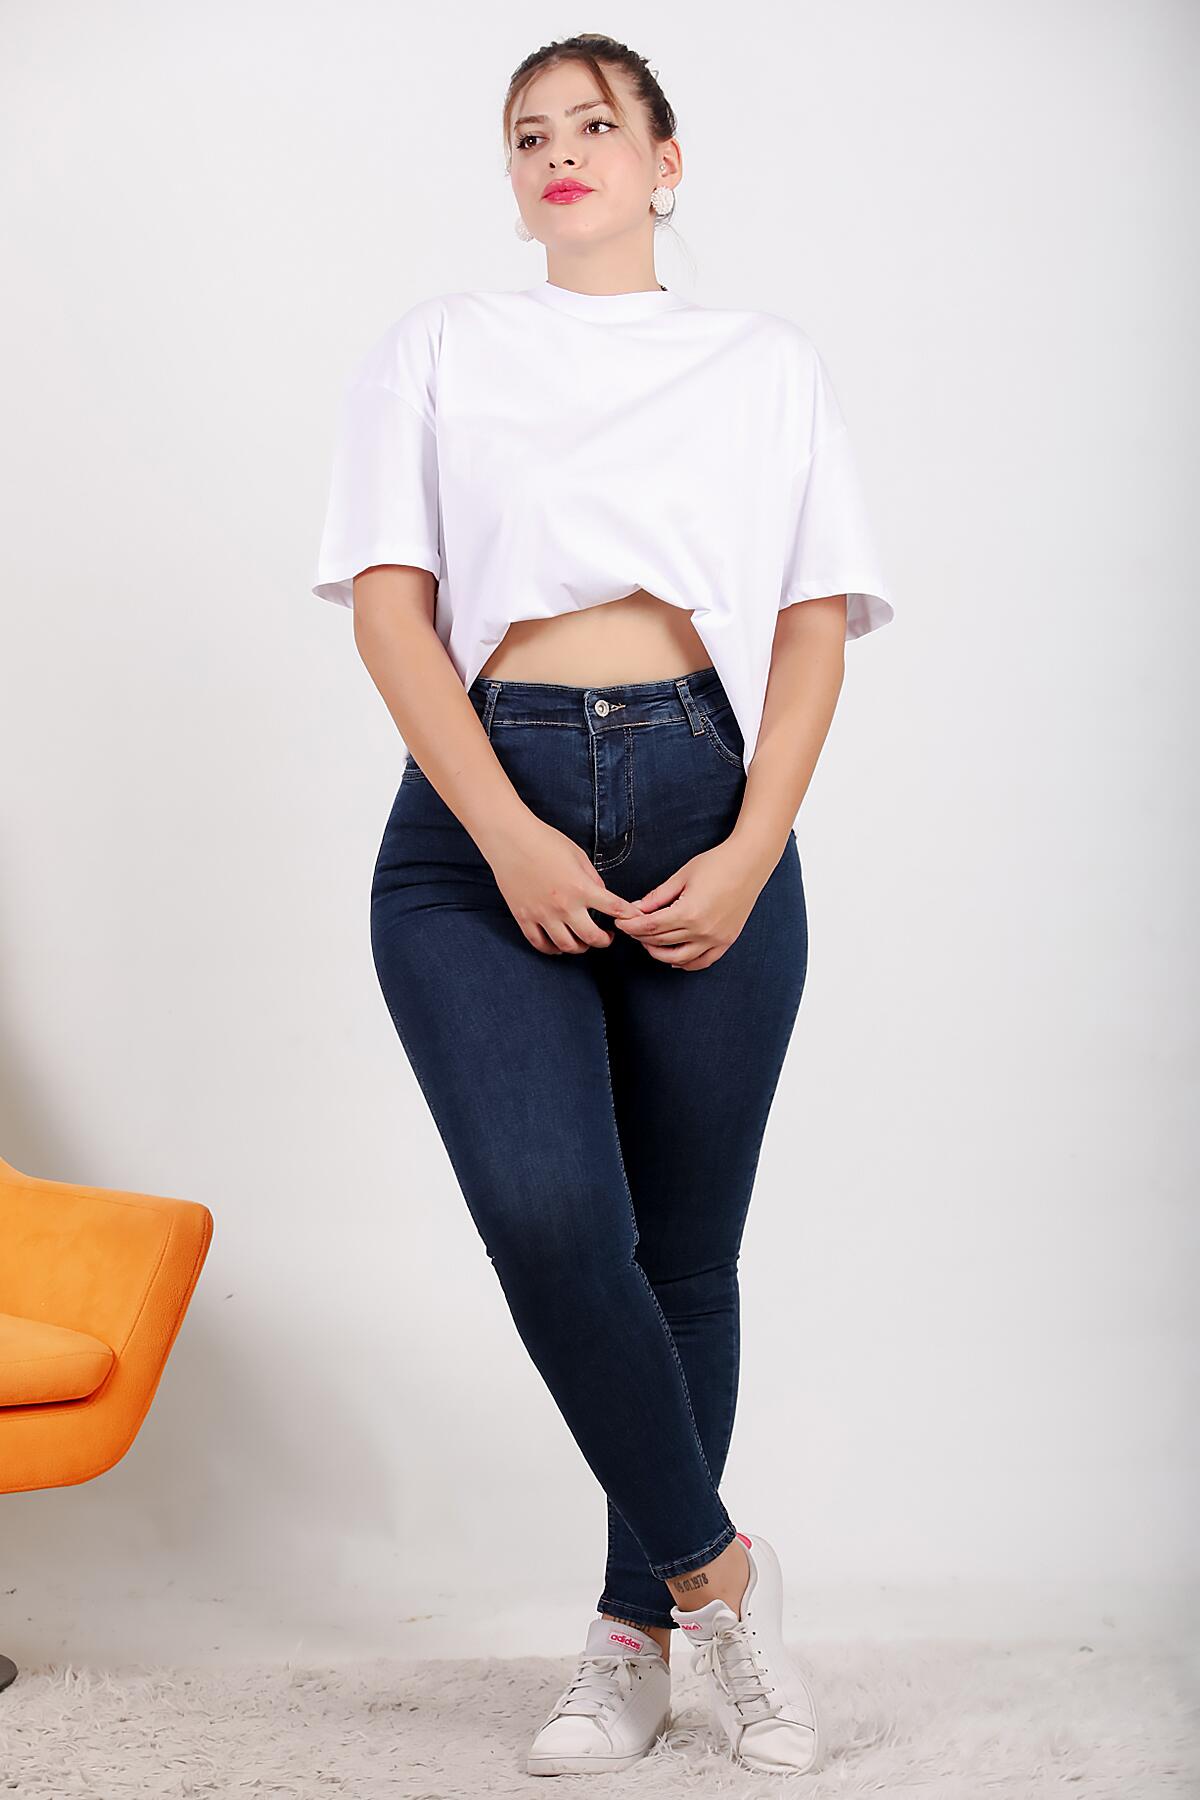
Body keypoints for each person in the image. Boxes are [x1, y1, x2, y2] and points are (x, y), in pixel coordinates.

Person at [311, 32, 893, 1781]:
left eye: (593, 125)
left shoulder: (762, 364)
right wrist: (504, 836)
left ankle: (633, 1636)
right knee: (555, 1218)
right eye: (528, 135)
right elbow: (392, 614)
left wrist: (756, 844)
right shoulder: (439, 347)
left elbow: (812, 621)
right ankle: (721, 1581)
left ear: (664, 162)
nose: (559, 152)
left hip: (710, 802)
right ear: (513, 182)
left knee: (684, 1260)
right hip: (476, 819)